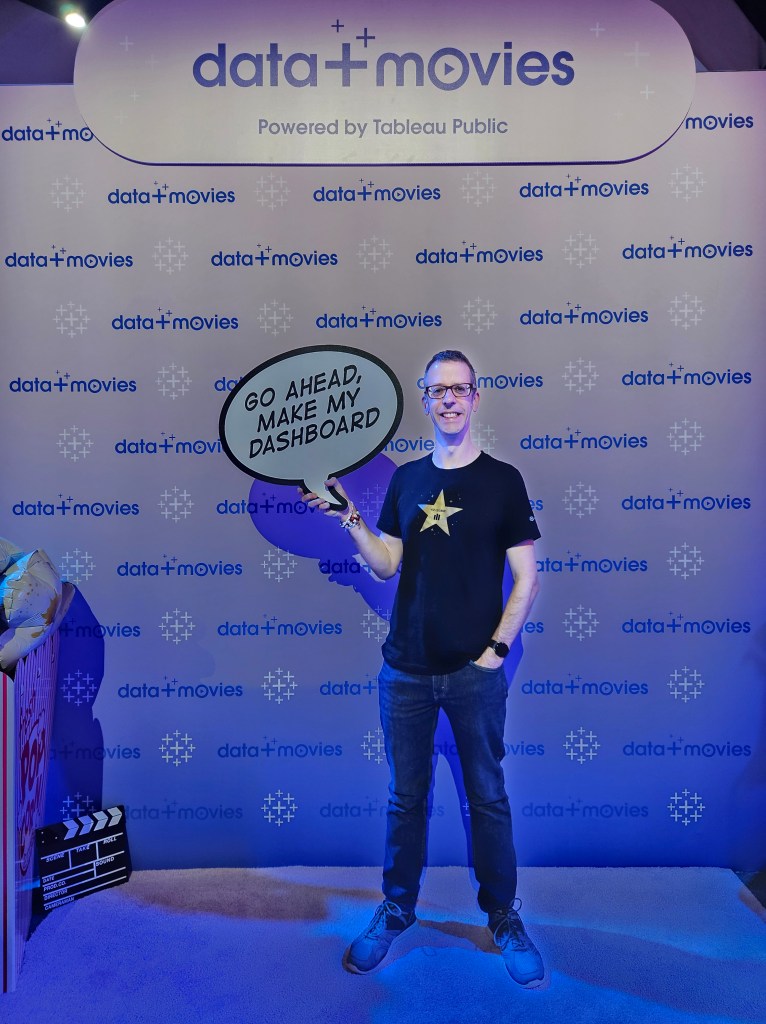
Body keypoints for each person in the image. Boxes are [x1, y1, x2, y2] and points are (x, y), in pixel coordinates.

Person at [304, 349, 544, 987]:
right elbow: (387, 565)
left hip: (474, 674)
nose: (449, 399)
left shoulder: (504, 480)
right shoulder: (408, 480)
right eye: (438, 390)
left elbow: (526, 579)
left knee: (487, 797)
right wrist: (349, 517)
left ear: (476, 396)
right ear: (425, 398)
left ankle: (503, 917)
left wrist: (494, 652)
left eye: (459, 389)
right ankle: (396, 909)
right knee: (404, 799)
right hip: (404, 672)